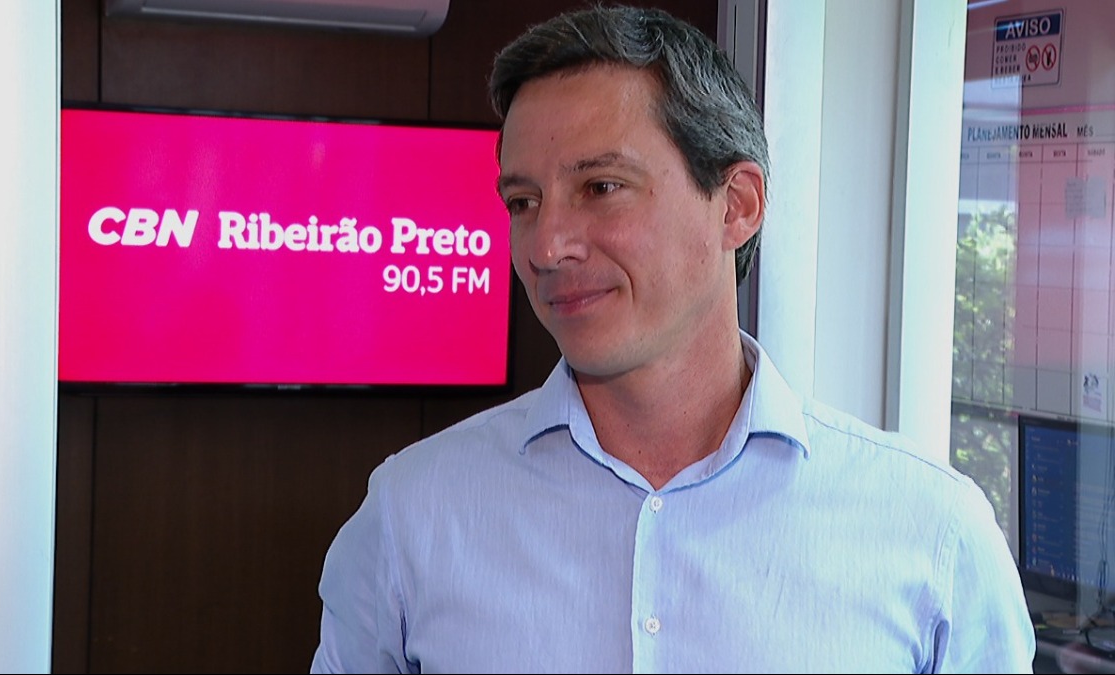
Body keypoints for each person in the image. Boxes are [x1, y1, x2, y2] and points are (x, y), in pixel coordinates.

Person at [310, 4, 1036, 673]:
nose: (547, 245)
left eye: (601, 187)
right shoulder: (412, 516)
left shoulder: (932, 532)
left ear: (736, 206)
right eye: (523, 201)